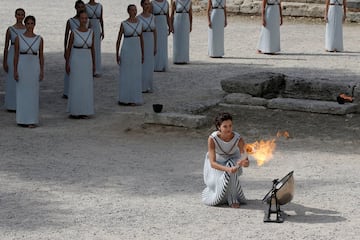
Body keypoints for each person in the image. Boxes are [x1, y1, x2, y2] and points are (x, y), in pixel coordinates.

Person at [202, 112, 250, 208]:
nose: (229, 129)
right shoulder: (212, 138)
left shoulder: (238, 138)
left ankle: (232, 198)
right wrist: (228, 169)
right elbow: (212, 163)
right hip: (218, 162)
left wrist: (244, 163)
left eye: (230, 126)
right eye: (225, 126)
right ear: (219, 127)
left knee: (231, 164)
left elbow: (246, 162)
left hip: (233, 159)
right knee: (221, 178)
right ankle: (220, 196)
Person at [13, 15, 44, 128]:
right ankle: (22, 119)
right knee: (22, 93)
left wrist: (41, 70)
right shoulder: (18, 38)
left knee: (33, 93)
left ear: (34, 25)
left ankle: (32, 119)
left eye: (32, 23)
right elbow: (16, 55)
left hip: (34, 67)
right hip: (23, 66)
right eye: (28, 23)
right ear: (25, 25)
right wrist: (15, 70)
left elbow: (41, 56)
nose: (30, 26)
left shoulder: (39, 39)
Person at [65, 10, 95, 119]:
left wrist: (94, 63)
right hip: (76, 59)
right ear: (79, 19)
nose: (84, 20)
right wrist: (67, 63)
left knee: (86, 85)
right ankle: (75, 110)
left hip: (87, 59)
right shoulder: (74, 32)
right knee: (76, 84)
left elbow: (92, 49)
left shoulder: (91, 32)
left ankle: (85, 110)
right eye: (82, 18)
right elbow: (69, 48)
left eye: (85, 18)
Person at [116, 4, 144, 106]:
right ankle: (124, 98)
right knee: (126, 73)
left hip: (136, 50)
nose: (134, 11)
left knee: (136, 73)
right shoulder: (124, 24)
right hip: (127, 50)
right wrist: (117, 53)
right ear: (128, 11)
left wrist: (143, 53)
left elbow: (141, 39)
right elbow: (119, 39)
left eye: (135, 10)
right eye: (132, 10)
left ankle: (134, 98)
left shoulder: (140, 23)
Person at [2, 8, 26, 112]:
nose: (20, 16)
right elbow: (6, 46)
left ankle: (21, 103)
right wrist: (4, 61)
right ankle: (11, 104)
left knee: (22, 79)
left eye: (22, 15)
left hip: (22, 54)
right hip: (12, 53)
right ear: (15, 16)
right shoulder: (10, 29)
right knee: (11, 79)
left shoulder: (27, 29)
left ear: (24, 16)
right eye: (18, 14)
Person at [63, 0, 86, 99]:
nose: (80, 8)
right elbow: (66, 36)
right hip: (72, 48)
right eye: (79, 7)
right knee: (70, 68)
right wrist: (65, 49)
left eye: (82, 7)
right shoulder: (70, 21)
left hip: (82, 48)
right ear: (75, 8)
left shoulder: (86, 21)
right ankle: (68, 91)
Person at [139, 0, 157, 93]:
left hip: (151, 41)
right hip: (143, 41)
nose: (147, 6)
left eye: (148, 4)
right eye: (145, 4)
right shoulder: (138, 18)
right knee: (143, 63)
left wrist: (155, 46)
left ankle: (149, 85)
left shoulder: (153, 17)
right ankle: (142, 85)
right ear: (142, 5)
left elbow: (155, 31)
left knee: (150, 64)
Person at [151, 0, 171, 72]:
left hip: (163, 26)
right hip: (156, 25)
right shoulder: (152, 3)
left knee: (163, 45)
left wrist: (170, 26)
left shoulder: (166, 3)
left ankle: (163, 64)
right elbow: (150, 16)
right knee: (156, 44)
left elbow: (167, 16)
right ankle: (155, 65)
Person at [86, 0, 104, 77]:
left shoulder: (100, 6)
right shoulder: (85, 6)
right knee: (89, 48)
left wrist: (103, 30)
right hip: (89, 27)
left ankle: (97, 70)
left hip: (97, 28)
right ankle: (89, 69)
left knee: (97, 48)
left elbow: (101, 19)